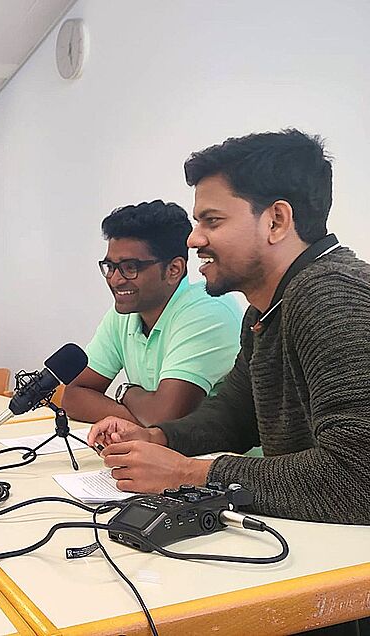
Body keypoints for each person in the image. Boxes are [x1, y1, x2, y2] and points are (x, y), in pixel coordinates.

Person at [88, 129, 370, 526]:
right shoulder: (265, 311)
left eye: (212, 221)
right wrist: (158, 439)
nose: (193, 238)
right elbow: (236, 415)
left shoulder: (331, 296)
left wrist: (188, 473)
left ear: (276, 221)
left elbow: (359, 478)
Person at [63, 200, 242, 425]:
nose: (116, 280)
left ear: (173, 270)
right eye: (110, 267)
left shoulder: (209, 309)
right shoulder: (124, 313)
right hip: (165, 453)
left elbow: (165, 418)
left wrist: (125, 392)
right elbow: (74, 395)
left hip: (225, 458)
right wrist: (140, 421)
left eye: (130, 268)